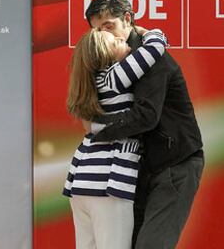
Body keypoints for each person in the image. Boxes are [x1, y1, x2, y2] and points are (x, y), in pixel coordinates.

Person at [85, 0, 204, 249]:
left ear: (127, 18)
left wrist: (98, 132)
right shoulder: (111, 61)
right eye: (98, 31)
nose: (105, 36)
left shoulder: (149, 57)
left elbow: (146, 116)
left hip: (175, 163)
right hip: (142, 169)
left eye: (109, 26)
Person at [63, 27, 167, 249]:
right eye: (114, 41)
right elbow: (156, 47)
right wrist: (150, 32)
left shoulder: (92, 83)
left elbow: (94, 126)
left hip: (81, 182)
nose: (122, 38)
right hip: (107, 182)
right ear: (106, 54)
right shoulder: (114, 76)